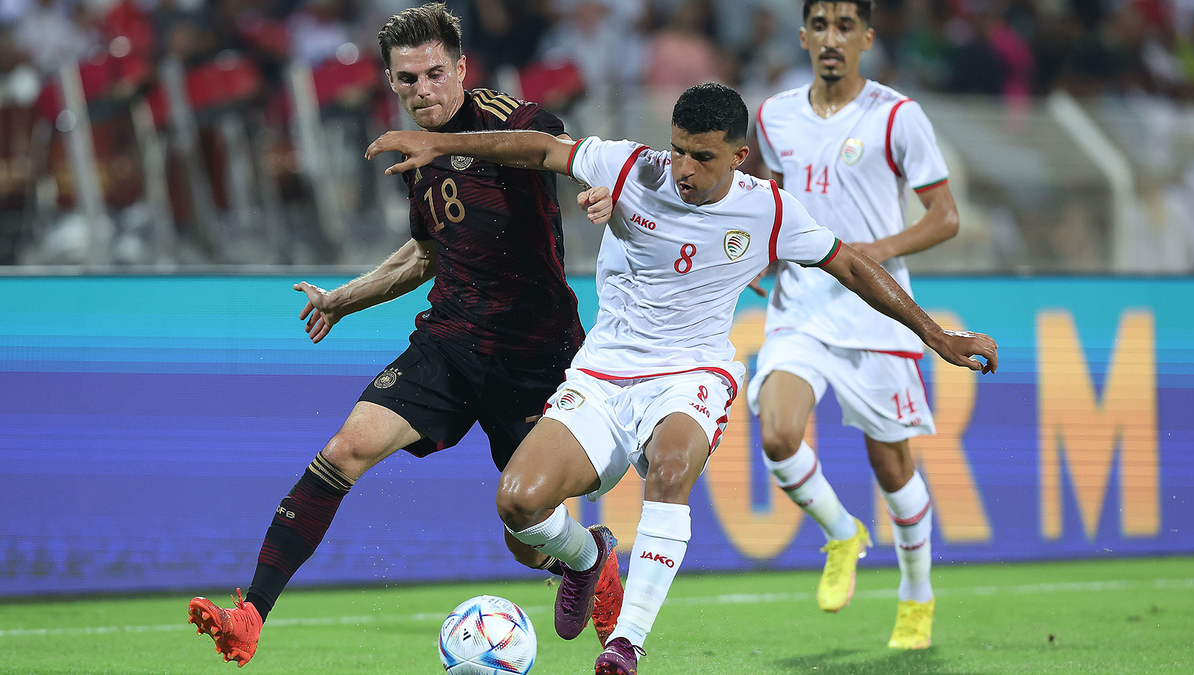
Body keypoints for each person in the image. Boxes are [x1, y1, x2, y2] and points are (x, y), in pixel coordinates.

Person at [365, 81, 998, 674]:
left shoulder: (769, 209)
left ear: (739, 157)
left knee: (669, 474)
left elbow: (853, 267)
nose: (684, 169)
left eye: (701, 157)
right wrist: (440, 143)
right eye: (677, 150)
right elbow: (537, 148)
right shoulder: (631, 167)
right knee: (518, 504)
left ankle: (625, 644)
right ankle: (589, 559)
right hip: (605, 370)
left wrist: (936, 335)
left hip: (692, 371)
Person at [186, 3, 623, 666]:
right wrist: (343, 299)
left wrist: (607, 195)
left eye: (435, 73)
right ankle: (249, 613)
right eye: (408, 79)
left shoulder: (513, 120)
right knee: (346, 447)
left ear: (463, 69)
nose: (424, 90)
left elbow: (560, 153)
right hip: (450, 339)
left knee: (525, 535)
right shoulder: (414, 155)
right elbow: (424, 253)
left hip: (536, 355)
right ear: (391, 82)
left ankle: (590, 554)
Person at [750, 0, 962, 651]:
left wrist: (869, 251)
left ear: (867, 38)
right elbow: (772, 198)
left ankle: (916, 596)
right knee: (779, 431)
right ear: (804, 35)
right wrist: (756, 253)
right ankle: (842, 531)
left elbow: (945, 215)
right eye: (820, 26)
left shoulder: (898, 116)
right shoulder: (773, 115)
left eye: (845, 27)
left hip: (875, 309)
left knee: (892, 466)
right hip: (802, 304)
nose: (832, 39)